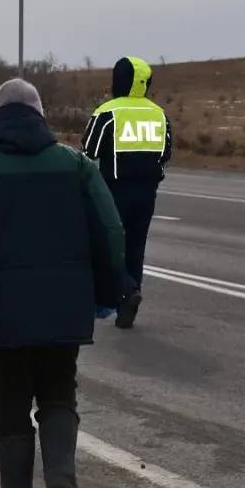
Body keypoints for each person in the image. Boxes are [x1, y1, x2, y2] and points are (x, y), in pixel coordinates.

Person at [0, 78, 125, 488]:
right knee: (58, 392)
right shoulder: (76, 166)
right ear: (41, 117)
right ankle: (60, 478)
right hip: (62, 309)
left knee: (9, 398)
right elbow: (109, 230)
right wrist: (109, 295)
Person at [81, 57, 172, 327]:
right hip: (148, 192)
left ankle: (127, 290)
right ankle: (126, 309)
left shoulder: (108, 112)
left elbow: (90, 149)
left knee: (105, 246)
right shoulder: (159, 114)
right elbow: (166, 152)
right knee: (136, 247)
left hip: (114, 190)